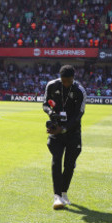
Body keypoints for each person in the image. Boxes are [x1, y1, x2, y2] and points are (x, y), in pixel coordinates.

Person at [42, 64, 86, 210]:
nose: (65, 83)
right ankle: (57, 197)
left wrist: (65, 128)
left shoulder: (79, 91)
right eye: (63, 80)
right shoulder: (52, 85)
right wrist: (50, 113)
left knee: (69, 165)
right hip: (56, 131)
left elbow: (78, 115)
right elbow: (45, 104)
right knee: (56, 160)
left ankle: (63, 192)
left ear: (73, 78)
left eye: (68, 81)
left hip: (73, 132)